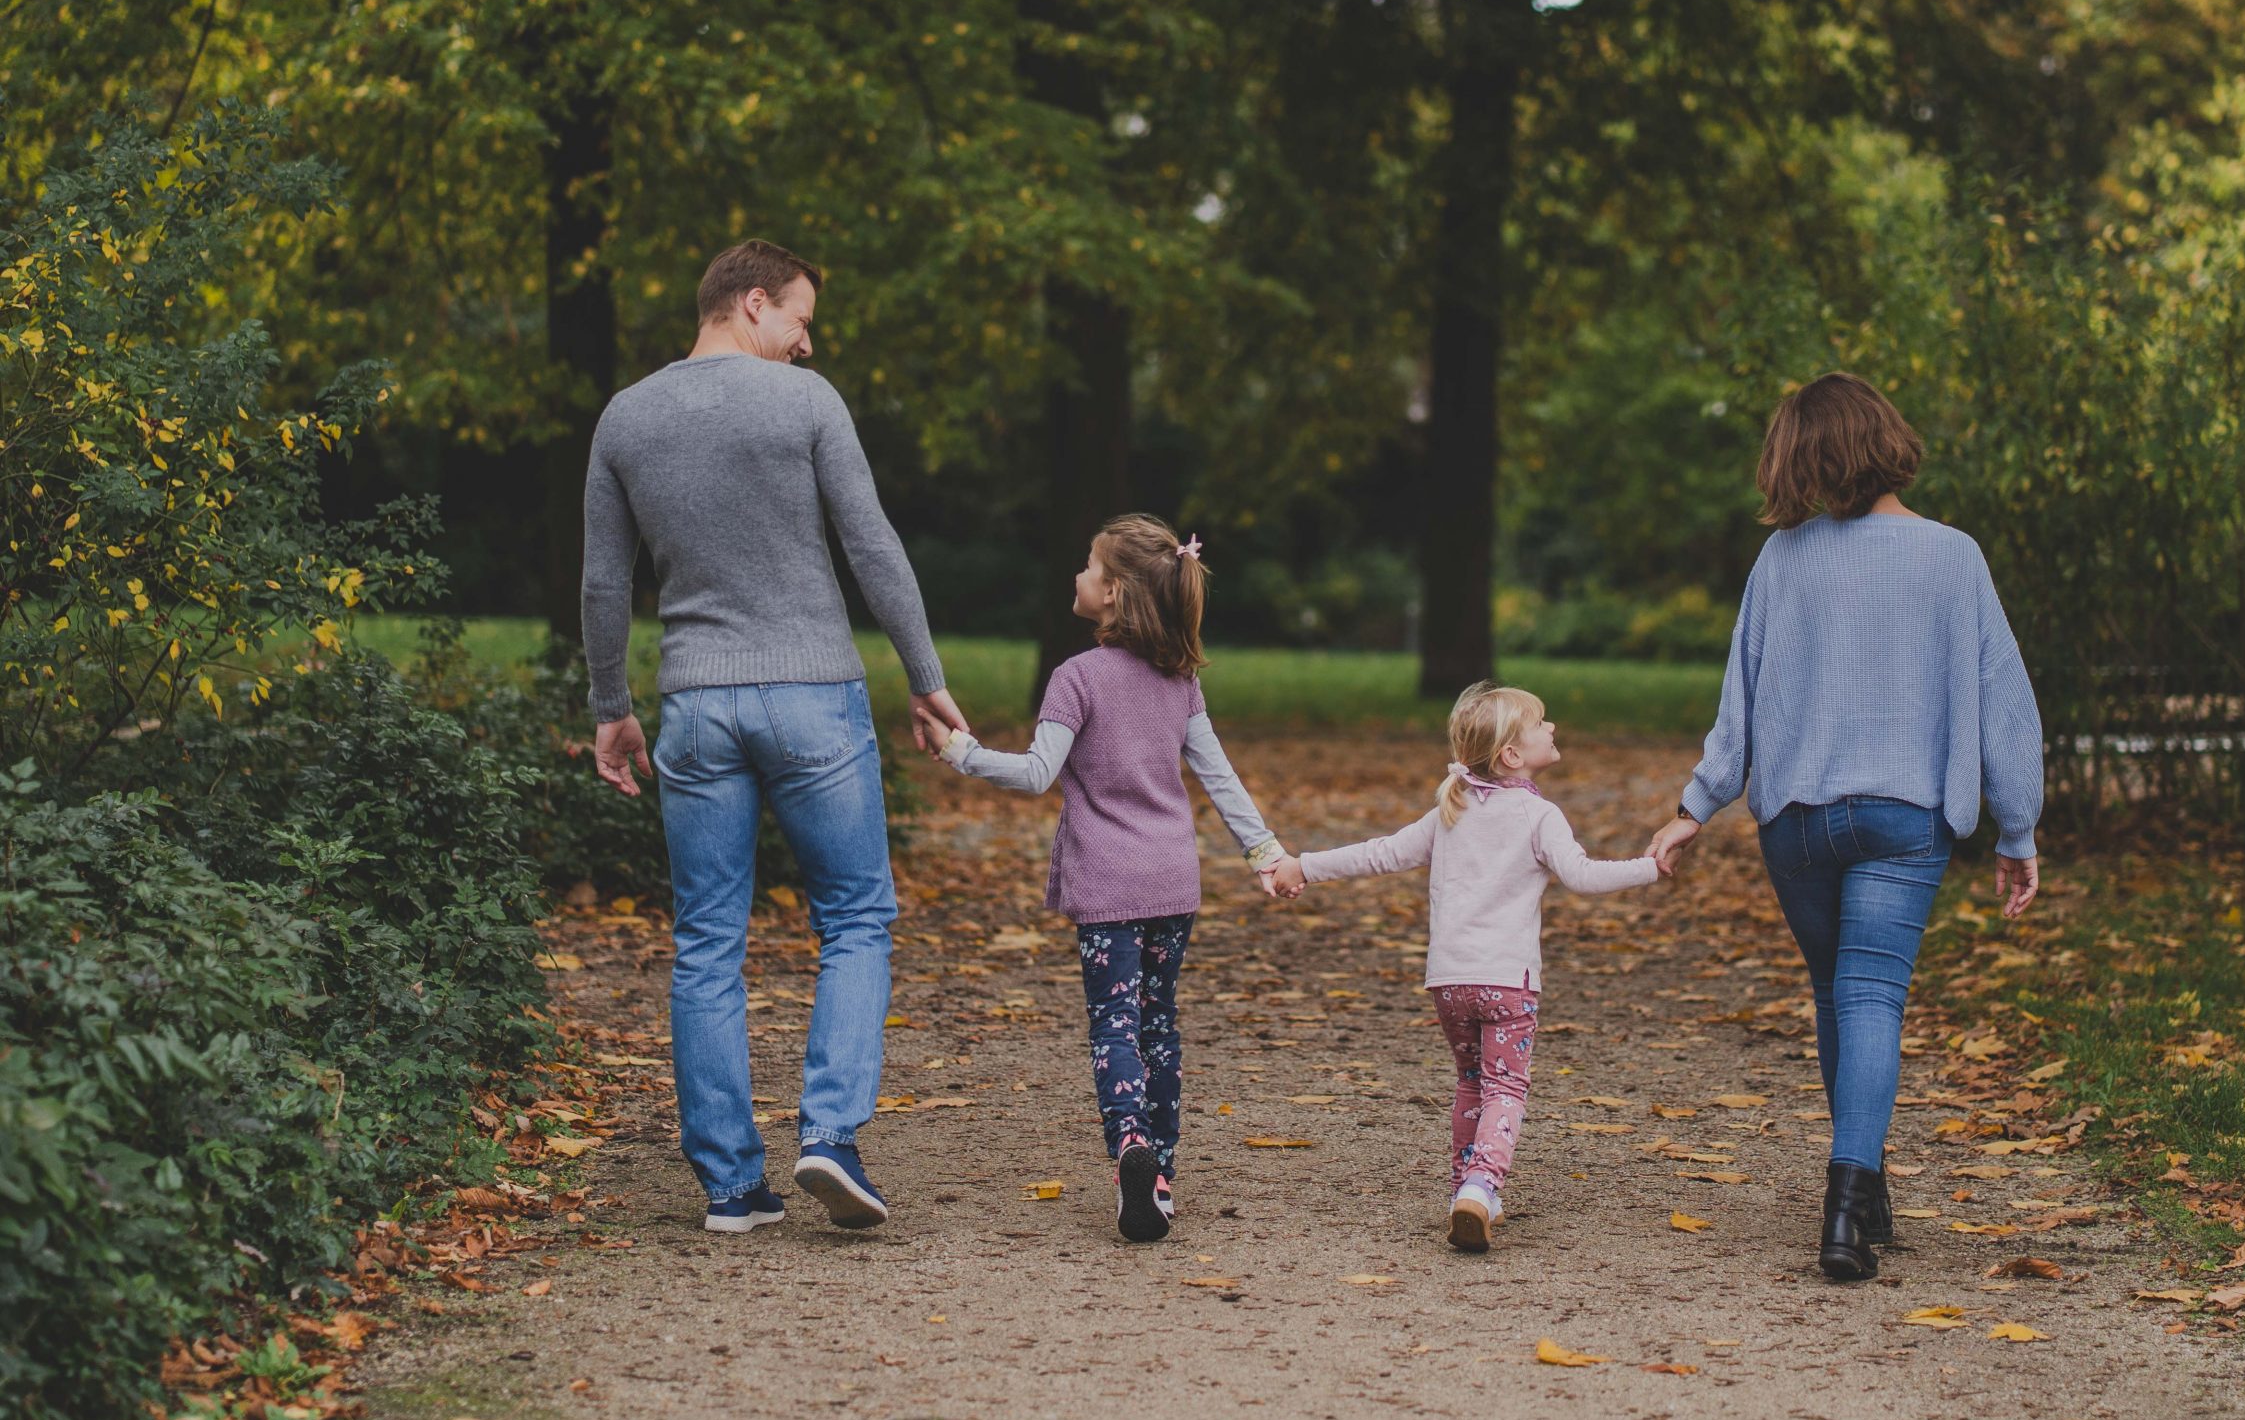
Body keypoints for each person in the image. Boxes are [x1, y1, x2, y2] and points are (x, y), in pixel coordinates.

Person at [582, 239, 967, 1234]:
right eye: (799, 320)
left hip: (697, 706)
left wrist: (610, 706)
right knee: (854, 915)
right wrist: (925, 681)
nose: (805, 343)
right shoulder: (808, 405)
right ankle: (829, 1136)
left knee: (707, 940)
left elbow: (602, 583)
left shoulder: (626, 416)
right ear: (754, 303)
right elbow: (872, 544)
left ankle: (728, 1187)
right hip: (812, 699)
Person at [1645, 372, 2044, 1282]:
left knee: (1836, 990)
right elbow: (2005, 703)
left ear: (1803, 456)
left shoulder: (1783, 560)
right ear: (1886, 440)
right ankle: (1847, 1200)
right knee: (1871, 996)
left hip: (1798, 822)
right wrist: (2018, 827)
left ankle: (1864, 1193)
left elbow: (1738, 704)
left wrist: (1693, 808)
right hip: (1906, 817)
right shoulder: (1953, 557)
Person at [923, 515, 1285, 1243]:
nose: (1076, 578)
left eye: (1088, 567)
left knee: (1113, 1022)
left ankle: (1130, 1145)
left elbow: (1033, 773)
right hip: (1173, 883)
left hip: (1107, 888)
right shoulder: (1180, 684)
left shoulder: (1075, 678)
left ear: (1113, 593)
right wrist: (1264, 851)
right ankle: (1162, 1177)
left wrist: (959, 749)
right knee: (1160, 1025)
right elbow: (1219, 778)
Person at [1268, 683, 1660, 1252]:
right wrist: (1648, 869)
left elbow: (1382, 852)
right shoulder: (1538, 814)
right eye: (1541, 723)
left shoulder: (1451, 809)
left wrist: (1303, 864)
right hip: (1509, 983)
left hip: (1449, 981)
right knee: (1507, 1088)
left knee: (1471, 1083)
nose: (1552, 728)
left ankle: (1465, 1191)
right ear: (1512, 756)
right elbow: (1584, 877)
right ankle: (1480, 1187)